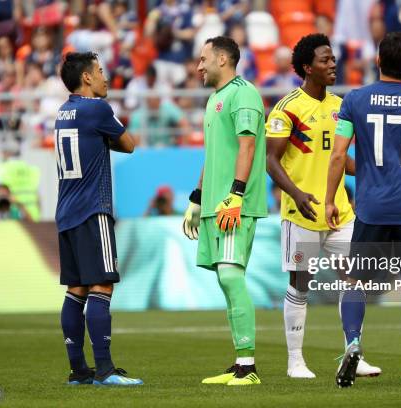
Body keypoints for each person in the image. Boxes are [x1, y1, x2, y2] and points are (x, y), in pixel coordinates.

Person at [326, 32, 401, 387]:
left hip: (370, 210)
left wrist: (331, 198)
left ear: (378, 60)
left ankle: (352, 342)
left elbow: (337, 155)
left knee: (355, 282)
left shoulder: (355, 100)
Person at [265, 33, 380, 380]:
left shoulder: (340, 106)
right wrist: (297, 194)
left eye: (333, 59)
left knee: (354, 279)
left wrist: (376, 171)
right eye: (325, 60)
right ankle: (295, 361)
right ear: (306, 67)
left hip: (339, 212)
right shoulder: (287, 108)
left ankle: (353, 354)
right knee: (301, 284)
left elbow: (342, 160)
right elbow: (270, 160)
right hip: (302, 214)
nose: (333, 64)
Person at [182, 36, 267, 386]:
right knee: (224, 280)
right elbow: (213, 154)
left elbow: (247, 146)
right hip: (214, 207)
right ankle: (239, 362)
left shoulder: (243, 93)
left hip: (234, 205)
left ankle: (249, 367)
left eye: (203, 59)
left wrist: (235, 195)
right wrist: (197, 197)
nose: (198, 66)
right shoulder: (215, 99)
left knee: (232, 276)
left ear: (222, 59)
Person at [54, 52, 140, 386]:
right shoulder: (98, 109)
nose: (106, 77)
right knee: (101, 286)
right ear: (87, 78)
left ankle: (78, 371)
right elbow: (129, 145)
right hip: (93, 209)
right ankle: (104, 370)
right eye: (101, 71)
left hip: (66, 212)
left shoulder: (63, 112)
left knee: (75, 290)